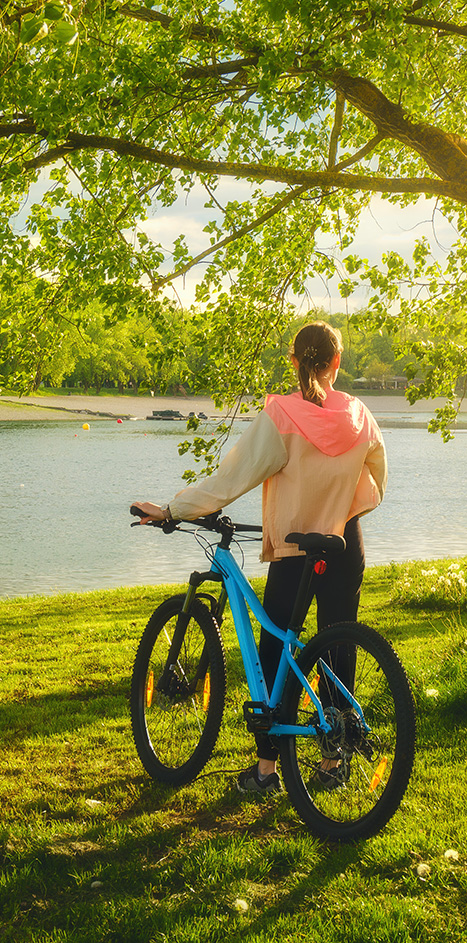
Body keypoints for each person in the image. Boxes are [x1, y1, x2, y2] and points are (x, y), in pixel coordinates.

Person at [131, 321, 387, 795]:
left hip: (295, 550)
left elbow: (230, 480)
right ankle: (334, 761)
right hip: (344, 545)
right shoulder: (359, 413)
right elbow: (376, 479)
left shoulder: (282, 415)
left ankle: (267, 771)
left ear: (294, 362)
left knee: (276, 649)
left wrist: (172, 509)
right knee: (336, 646)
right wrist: (340, 508)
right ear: (337, 363)